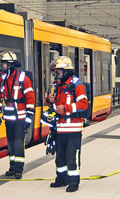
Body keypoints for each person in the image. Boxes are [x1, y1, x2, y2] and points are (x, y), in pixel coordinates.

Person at [45, 56, 88, 192]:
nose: (56, 74)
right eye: (55, 72)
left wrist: (67, 108)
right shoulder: (58, 86)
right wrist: (49, 100)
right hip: (60, 128)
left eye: (59, 72)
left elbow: (83, 104)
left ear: (67, 71)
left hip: (74, 128)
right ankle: (61, 179)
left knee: (72, 156)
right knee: (60, 156)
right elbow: (55, 105)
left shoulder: (77, 85)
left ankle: (73, 182)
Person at [0, 51, 35, 179]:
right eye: (2, 64)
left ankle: (19, 169)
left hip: (21, 117)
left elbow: (30, 99)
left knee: (18, 142)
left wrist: (29, 118)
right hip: (9, 117)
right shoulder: (2, 79)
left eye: (4, 64)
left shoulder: (23, 79)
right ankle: (12, 166)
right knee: (10, 143)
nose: (2, 66)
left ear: (10, 65)